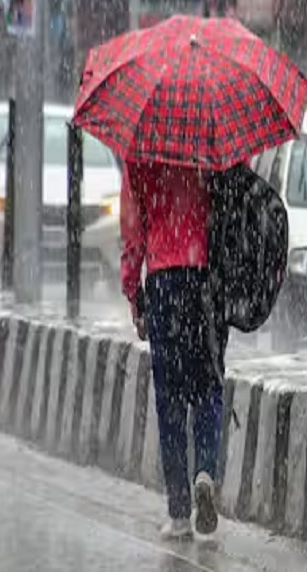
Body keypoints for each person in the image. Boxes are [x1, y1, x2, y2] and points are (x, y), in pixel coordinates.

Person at [122, 161, 225, 539]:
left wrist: (135, 296)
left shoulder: (140, 151)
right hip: (204, 281)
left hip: (164, 283)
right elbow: (230, 207)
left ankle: (180, 512)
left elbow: (133, 237)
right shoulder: (212, 142)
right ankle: (206, 471)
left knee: (170, 401)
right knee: (209, 387)